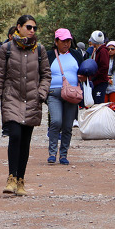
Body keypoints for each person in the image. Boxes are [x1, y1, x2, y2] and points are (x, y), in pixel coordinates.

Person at [0, 15, 51, 196]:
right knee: (14, 135)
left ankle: (21, 180)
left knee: (25, 141)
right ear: (18, 27)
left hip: (32, 99)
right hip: (12, 98)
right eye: (28, 27)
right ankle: (11, 177)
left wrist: (41, 94)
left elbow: (46, 75)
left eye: (34, 28)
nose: (32, 30)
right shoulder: (6, 49)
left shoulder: (40, 50)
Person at [46, 28, 84, 166]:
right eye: (63, 41)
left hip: (72, 94)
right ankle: (52, 153)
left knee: (68, 126)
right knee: (56, 121)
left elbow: (85, 71)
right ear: (56, 41)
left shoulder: (76, 55)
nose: (66, 44)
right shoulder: (48, 55)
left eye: (68, 41)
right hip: (53, 93)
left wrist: (83, 77)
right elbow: (42, 73)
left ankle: (63, 154)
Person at [89, 30, 109, 104]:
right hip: (96, 81)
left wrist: (95, 75)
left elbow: (104, 66)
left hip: (100, 81)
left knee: (98, 103)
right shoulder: (97, 51)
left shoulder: (103, 51)